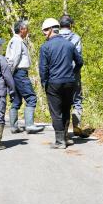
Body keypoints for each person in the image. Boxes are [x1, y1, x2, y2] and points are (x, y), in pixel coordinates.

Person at [39, 18, 83, 149]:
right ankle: (64, 138)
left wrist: (44, 83)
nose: (44, 33)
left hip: (54, 83)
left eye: (45, 30)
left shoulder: (45, 47)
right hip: (70, 82)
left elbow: (43, 68)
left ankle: (60, 141)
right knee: (65, 110)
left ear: (52, 29)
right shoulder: (69, 45)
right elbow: (80, 62)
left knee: (56, 112)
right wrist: (72, 73)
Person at [5, 20, 42, 134]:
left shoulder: (17, 40)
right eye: (26, 29)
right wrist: (10, 74)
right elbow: (14, 59)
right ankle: (29, 125)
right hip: (19, 73)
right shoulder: (17, 41)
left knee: (16, 100)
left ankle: (14, 127)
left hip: (16, 73)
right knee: (31, 98)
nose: (28, 31)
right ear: (21, 29)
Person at [59, 15, 88, 138]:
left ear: (60, 25)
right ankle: (76, 127)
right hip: (73, 73)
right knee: (77, 100)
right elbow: (79, 57)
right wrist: (75, 71)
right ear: (70, 25)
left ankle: (62, 131)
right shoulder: (75, 37)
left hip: (59, 74)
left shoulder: (55, 38)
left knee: (60, 102)